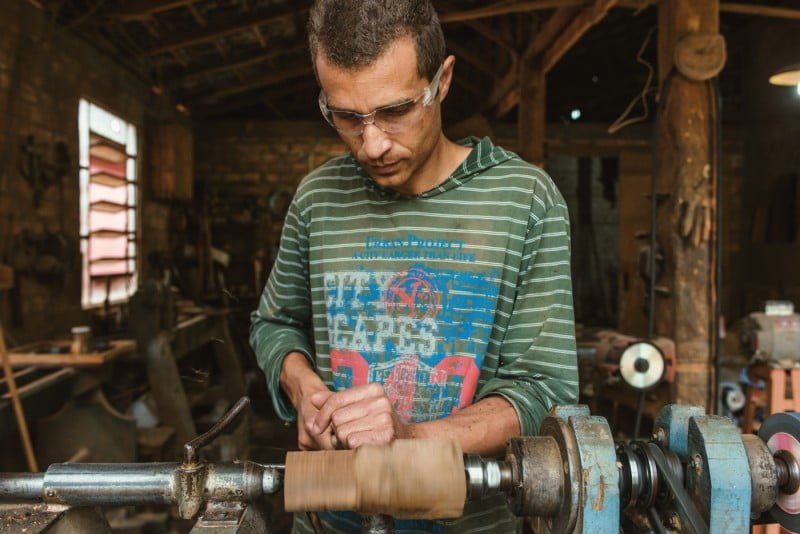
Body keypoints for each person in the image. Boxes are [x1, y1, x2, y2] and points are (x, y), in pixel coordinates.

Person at [250, 0, 578, 531]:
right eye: (347, 117)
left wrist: (413, 442)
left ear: (442, 80)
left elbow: (543, 389)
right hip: (333, 513)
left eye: (396, 111)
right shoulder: (318, 199)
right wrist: (305, 389)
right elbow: (274, 323)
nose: (372, 144)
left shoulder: (524, 200)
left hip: (472, 519)